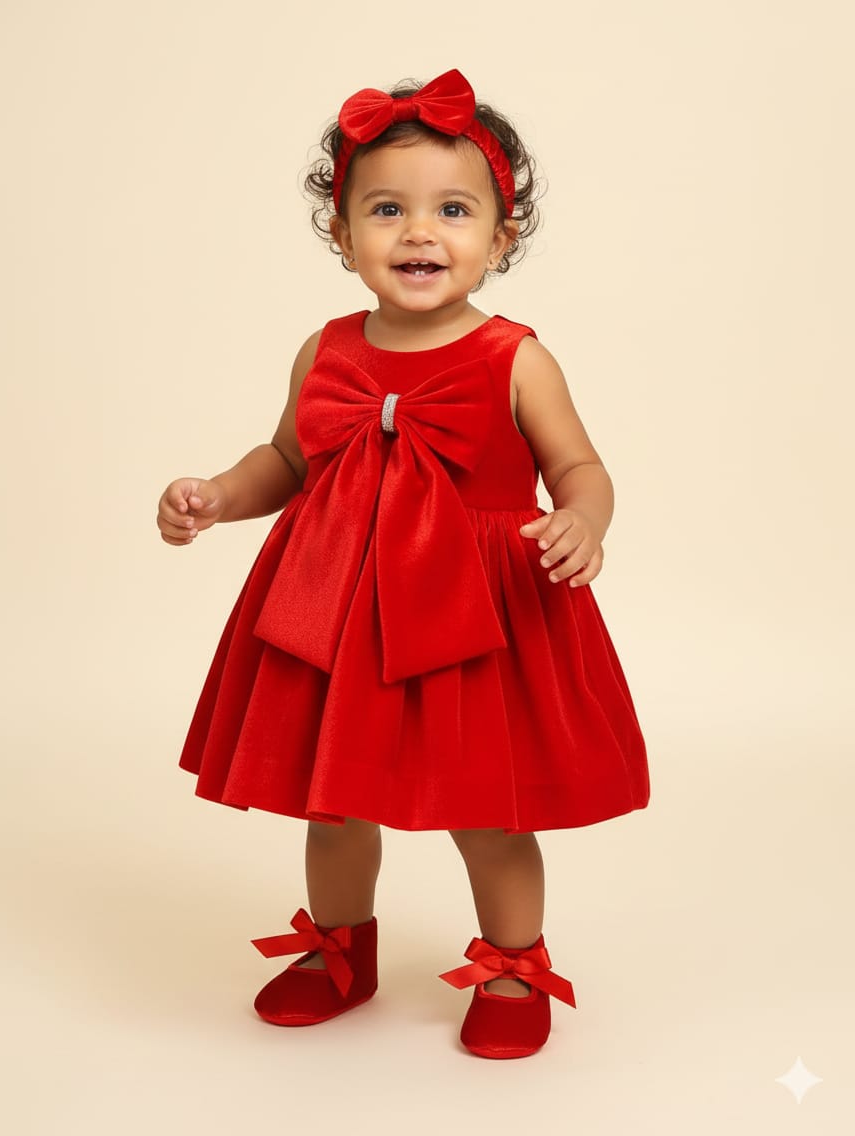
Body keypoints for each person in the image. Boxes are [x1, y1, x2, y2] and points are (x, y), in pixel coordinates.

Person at [156, 68, 650, 1059]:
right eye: (387, 209)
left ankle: (514, 960)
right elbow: (288, 460)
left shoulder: (516, 357)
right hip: (339, 607)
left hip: (475, 618)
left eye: (453, 209)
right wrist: (217, 495)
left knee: (488, 809)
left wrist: (583, 521)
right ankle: (341, 946)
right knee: (332, 802)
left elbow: (580, 465)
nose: (420, 232)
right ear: (343, 236)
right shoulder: (326, 351)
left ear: (501, 238)